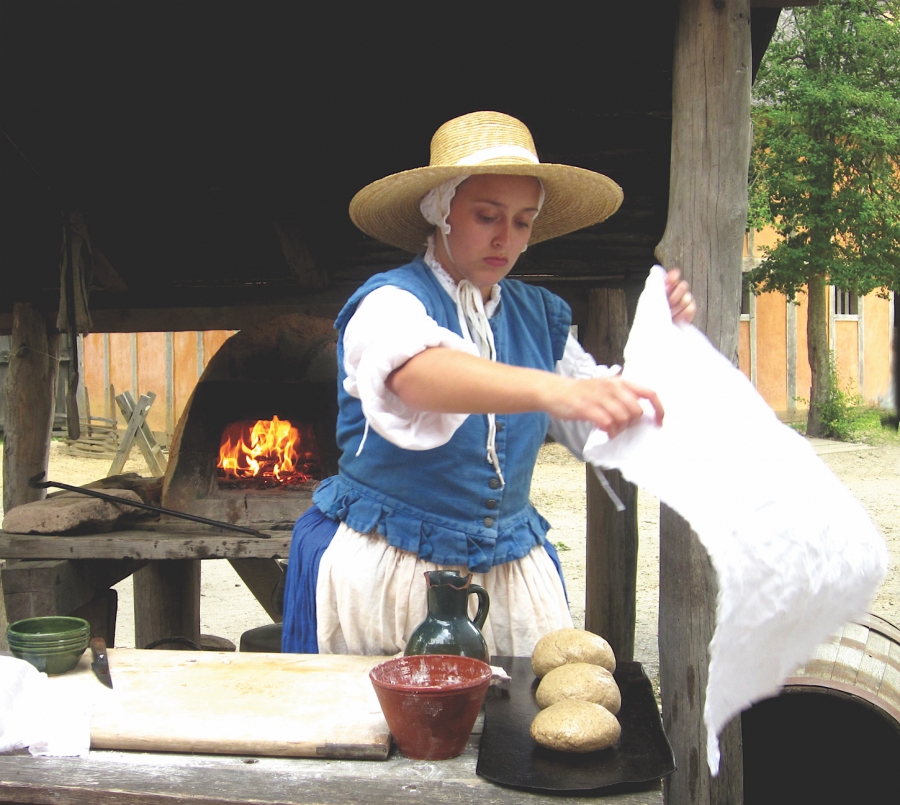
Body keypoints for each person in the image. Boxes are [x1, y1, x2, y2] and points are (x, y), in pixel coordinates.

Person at [281, 111, 695, 657]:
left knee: (518, 733)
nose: (506, 237)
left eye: (523, 221)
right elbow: (416, 375)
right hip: (391, 570)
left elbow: (604, 418)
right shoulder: (389, 302)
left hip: (510, 574)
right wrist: (553, 390)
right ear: (440, 212)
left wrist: (664, 345)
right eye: (486, 215)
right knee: (391, 734)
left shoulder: (538, 317)